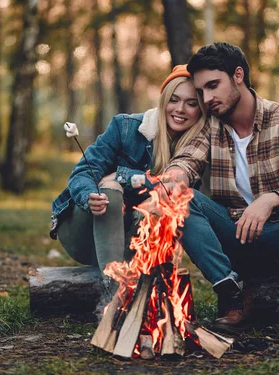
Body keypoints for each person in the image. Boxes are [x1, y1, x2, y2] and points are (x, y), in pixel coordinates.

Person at [164, 42, 279, 352]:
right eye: (201, 91)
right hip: (236, 241)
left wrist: (268, 200)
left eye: (213, 86)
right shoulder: (211, 127)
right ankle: (232, 294)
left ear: (238, 75)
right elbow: (186, 161)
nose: (207, 98)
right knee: (180, 197)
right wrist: (173, 179)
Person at [50, 65, 207, 292]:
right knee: (110, 187)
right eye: (174, 100)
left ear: (200, 109)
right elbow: (83, 171)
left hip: (134, 245)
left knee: (164, 200)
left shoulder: (196, 151)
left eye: (192, 103)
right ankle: (114, 293)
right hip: (85, 233)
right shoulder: (126, 127)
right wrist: (89, 196)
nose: (180, 109)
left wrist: (125, 175)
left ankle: (140, 287)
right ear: (163, 100)